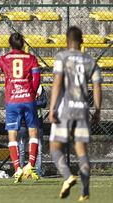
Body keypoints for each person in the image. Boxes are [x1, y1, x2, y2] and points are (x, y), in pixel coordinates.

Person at [49, 26, 102, 201]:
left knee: (55, 147)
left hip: (66, 109)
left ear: (66, 41)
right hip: (83, 109)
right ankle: (85, 190)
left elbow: (57, 83)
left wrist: (52, 109)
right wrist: (97, 110)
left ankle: (67, 176)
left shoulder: (61, 57)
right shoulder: (90, 61)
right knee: (81, 150)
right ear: (83, 41)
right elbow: (97, 86)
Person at [0, 32, 41, 183]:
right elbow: (37, 78)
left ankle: (17, 169)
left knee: (12, 136)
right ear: (23, 44)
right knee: (33, 133)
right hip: (28, 99)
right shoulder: (31, 58)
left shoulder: (3, 59)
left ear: (9, 44)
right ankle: (30, 165)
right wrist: (34, 92)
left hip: (12, 101)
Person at [18, 85, 47, 177]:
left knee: (39, 148)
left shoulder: (40, 88)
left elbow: (44, 103)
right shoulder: (21, 86)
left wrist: (31, 103)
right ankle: (21, 171)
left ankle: (37, 171)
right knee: (22, 148)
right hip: (24, 122)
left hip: (37, 122)